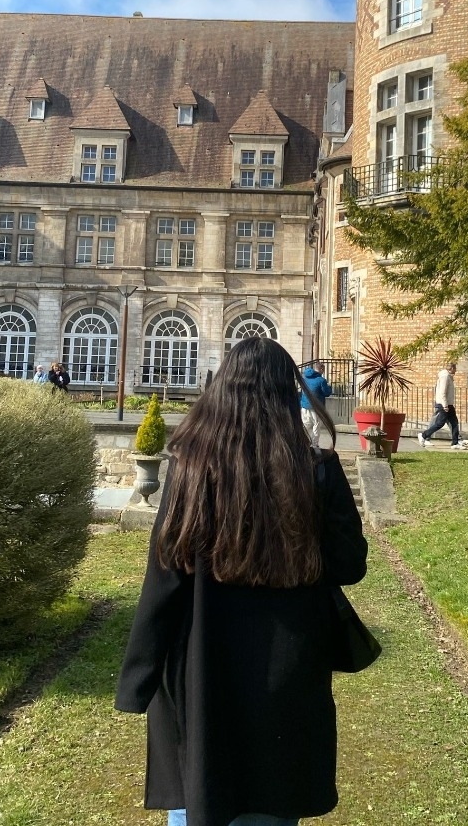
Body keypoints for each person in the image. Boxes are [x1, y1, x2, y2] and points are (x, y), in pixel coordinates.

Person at [115, 337, 368, 826]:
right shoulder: (315, 467)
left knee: (199, 790)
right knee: (273, 800)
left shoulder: (191, 467)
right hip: (286, 668)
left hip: (202, 664)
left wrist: (138, 679)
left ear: (222, 389)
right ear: (286, 392)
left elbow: (165, 576)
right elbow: (349, 565)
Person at [418, 362, 468, 450]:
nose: (456, 371)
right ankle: (423, 435)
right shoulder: (445, 377)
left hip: (448, 404)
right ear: (452, 368)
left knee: (454, 423)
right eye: (455, 368)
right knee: (440, 423)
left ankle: (455, 443)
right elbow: (443, 392)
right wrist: (445, 405)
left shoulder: (448, 376)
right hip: (444, 404)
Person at [299, 361, 333, 449]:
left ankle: (301, 442)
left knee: (305, 425)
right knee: (316, 425)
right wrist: (330, 387)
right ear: (321, 369)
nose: (323, 372)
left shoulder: (305, 378)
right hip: (316, 407)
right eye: (323, 370)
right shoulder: (321, 380)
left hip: (304, 405)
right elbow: (326, 393)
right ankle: (314, 445)